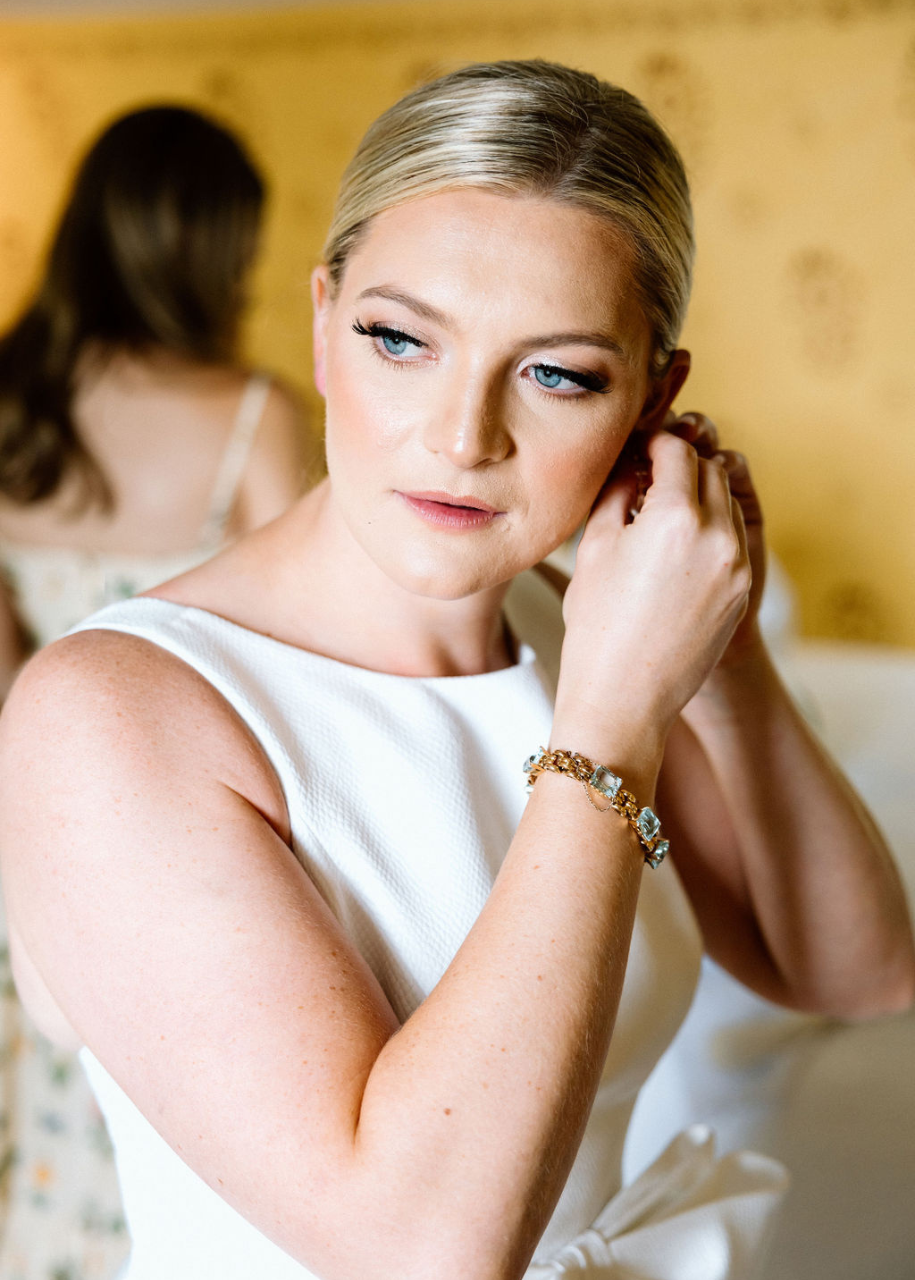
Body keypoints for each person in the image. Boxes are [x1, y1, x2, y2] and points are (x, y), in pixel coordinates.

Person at [0, 60, 911, 1280]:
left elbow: (855, 971)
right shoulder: (111, 714)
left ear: (653, 396)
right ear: (324, 322)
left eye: (558, 373)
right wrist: (613, 717)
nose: (463, 435)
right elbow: (423, 1251)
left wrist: (720, 644)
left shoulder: (578, 623)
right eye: (399, 339)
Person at [0, 104, 307, 1279]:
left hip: (22, 803)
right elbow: (301, 658)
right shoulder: (252, 417)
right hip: (169, 820)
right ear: (213, 250)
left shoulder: (7, 402)